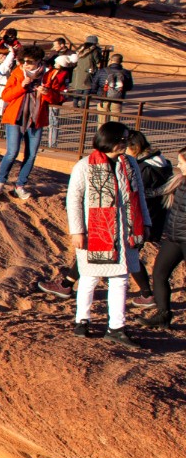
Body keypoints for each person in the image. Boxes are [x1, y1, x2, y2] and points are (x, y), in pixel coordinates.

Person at [65, 121, 149, 340]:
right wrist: (77, 231)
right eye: (122, 140)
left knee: (120, 278)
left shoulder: (130, 163)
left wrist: (145, 223)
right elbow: (73, 199)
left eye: (126, 139)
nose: (126, 144)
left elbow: (139, 196)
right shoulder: (84, 165)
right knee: (89, 277)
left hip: (125, 231)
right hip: (96, 231)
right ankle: (82, 320)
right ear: (109, 140)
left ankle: (116, 327)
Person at [0, 46, 64, 197]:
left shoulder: (48, 76)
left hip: (36, 120)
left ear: (38, 61)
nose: (25, 64)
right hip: (16, 118)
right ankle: (0, 183)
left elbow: (57, 99)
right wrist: (22, 86)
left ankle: (20, 186)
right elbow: (6, 96)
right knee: (12, 152)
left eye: (29, 61)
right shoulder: (17, 73)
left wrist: (47, 93)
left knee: (31, 155)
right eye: (22, 61)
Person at [127, 133, 172, 301]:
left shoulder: (144, 168)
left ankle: (147, 294)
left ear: (134, 148)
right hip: (156, 217)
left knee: (129, 253)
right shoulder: (163, 162)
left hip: (142, 219)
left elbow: (138, 195)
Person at [145, 150, 186, 328]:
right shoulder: (179, 181)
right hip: (174, 237)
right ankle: (163, 315)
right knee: (159, 273)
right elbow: (156, 192)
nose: (178, 166)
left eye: (181, 162)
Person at [94, 52, 133, 123]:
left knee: (102, 120)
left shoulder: (102, 71)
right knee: (115, 121)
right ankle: (114, 133)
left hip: (103, 97)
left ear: (111, 60)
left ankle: (101, 133)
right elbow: (129, 87)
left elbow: (95, 84)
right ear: (121, 62)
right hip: (117, 98)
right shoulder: (126, 72)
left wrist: (95, 94)